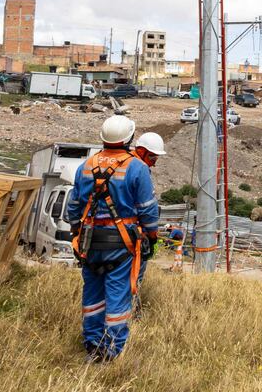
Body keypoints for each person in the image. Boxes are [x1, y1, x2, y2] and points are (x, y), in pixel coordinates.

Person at [64, 115, 160, 362]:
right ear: (129, 138)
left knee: (93, 295)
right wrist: (152, 236)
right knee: (117, 296)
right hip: (121, 244)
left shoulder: (86, 165)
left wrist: (76, 232)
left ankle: (92, 345)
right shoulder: (136, 167)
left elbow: (73, 207)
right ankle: (111, 350)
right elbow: (147, 209)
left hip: (89, 242)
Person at [131, 132, 166, 283]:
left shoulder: (124, 164)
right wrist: (152, 237)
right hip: (133, 234)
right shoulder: (139, 168)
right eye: (152, 157)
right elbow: (147, 207)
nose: (154, 161)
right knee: (133, 278)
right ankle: (130, 304)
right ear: (141, 151)